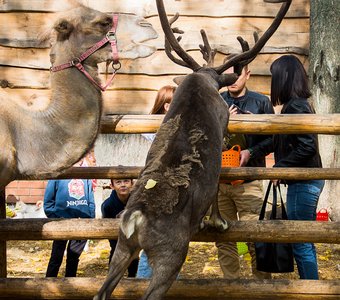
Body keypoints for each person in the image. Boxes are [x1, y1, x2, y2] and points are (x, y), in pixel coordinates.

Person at [268, 55, 324, 279]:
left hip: (304, 182)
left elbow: (307, 146)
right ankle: (311, 286)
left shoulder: (296, 106)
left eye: (274, 76)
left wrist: (280, 167)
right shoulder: (296, 104)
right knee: (303, 239)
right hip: (303, 181)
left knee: (300, 241)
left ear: (283, 78)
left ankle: (311, 289)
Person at [216, 64, 274, 279]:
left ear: (247, 74)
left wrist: (251, 150)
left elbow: (274, 139)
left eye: (237, 74)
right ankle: (231, 287)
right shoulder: (218, 100)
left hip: (250, 182)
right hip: (221, 184)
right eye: (228, 75)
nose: (232, 79)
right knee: (224, 238)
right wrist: (223, 122)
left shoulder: (261, 102)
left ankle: (261, 287)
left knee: (255, 237)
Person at [138, 85, 176, 278]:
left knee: (172, 238)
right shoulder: (157, 128)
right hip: (157, 187)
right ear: (168, 106)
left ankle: (169, 282)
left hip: (171, 188)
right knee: (153, 236)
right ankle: (144, 281)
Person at [43, 158, 95, 277]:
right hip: (62, 223)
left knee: (73, 258)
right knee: (56, 257)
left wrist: (90, 219)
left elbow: (90, 199)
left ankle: (70, 284)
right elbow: (48, 202)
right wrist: (56, 218)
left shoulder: (85, 175)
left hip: (82, 222)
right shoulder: (58, 175)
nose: (79, 161)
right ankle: (49, 282)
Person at [101, 178, 139, 277]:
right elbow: (107, 228)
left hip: (133, 240)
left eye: (126, 181)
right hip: (116, 240)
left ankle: (132, 278)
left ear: (132, 183)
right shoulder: (107, 205)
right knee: (115, 258)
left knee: (134, 261)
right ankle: (111, 279)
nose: (123, 185)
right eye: (118, 182)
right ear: (112, 186)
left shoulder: (137, 201)